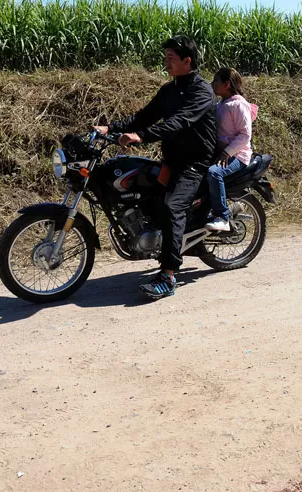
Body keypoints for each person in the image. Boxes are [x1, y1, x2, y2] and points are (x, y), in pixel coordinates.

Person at [94, 36, 216, 300]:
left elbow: (180, 122)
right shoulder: (169, 90)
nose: (166, 62)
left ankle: (169, 275)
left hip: (194, 163)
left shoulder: (202, 92)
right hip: (172, 159)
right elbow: (142, 116)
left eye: (171, 58)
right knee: (150, 199)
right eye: (166, 57)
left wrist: (142, 136)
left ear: (187, 61)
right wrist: (111, 128)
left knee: (173, 206)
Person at [205, 67, 258, 232]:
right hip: (222, 152)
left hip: (237, 155)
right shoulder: (221, 103)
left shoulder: (238, 104)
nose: (212, 83)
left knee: (214, 173)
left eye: (216, 81)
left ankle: (222, 216)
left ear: (227, 84)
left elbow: (245, 135)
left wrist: (227, 152)